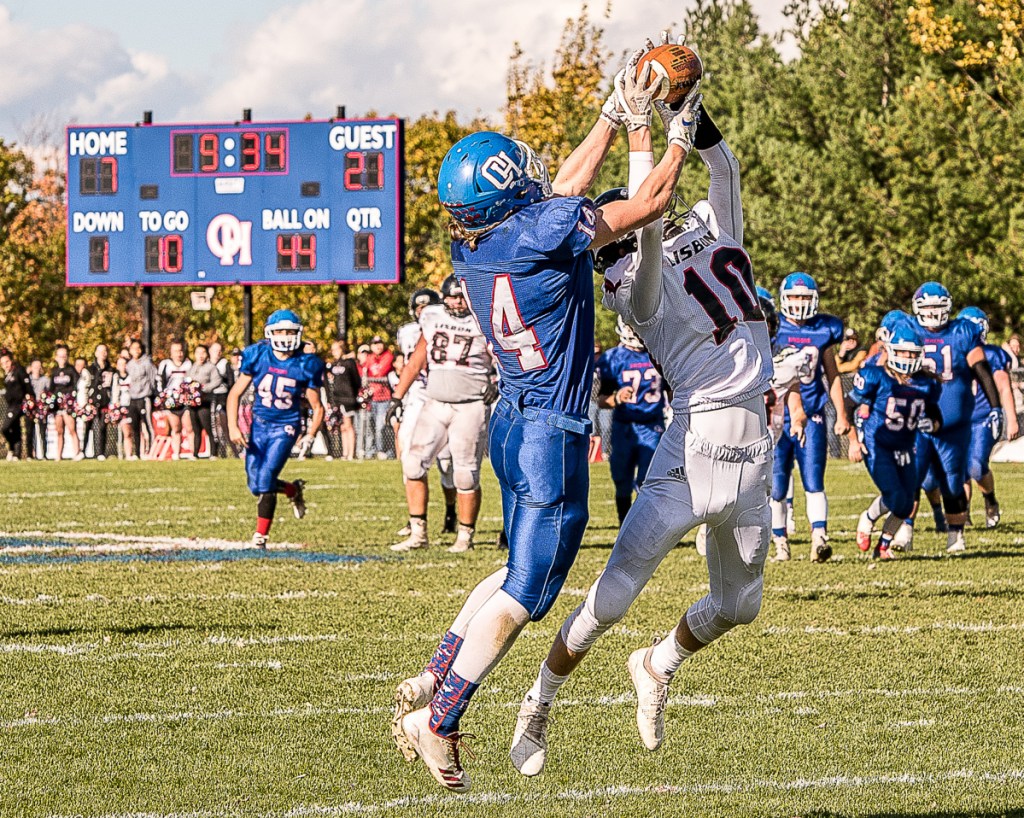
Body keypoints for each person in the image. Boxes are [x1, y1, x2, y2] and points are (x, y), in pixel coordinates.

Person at [391, 43, 703, 792]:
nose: (532, 172)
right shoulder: (540, 230)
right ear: (506, 195)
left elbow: (558, 193)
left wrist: (607, 116)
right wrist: (672, 133)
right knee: (529, 592)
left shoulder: (479, 243)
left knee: (521, 574)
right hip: (549, 435)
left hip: (512, 422)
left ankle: (436, 677)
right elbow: (649, 203)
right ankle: (440, 719)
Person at [509, 82, 777, 776]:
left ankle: (657, 664)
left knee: (738, 607)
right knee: (610, 599)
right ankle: (538, 701)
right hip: (690, 452)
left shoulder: (716, 234)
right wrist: (649, 136)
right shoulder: (633, 289)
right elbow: (651, 224)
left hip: (753, 447)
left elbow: (726, 171)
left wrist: (693, 113)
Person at [387, 274, 497, 554]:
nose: (457, 302)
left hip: (470, 405)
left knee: (465, 474)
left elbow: (506, 358)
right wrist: (398, 395)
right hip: (435, 402)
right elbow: (416, 360)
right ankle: (418, 532)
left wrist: (497, 383)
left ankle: (464, 536)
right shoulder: (433, 317)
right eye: (452, 297)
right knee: (412, 464)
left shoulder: (485, 318)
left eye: (462, 296)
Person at [907, 283, 1003, 553]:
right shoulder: (909, 331)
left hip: (953, 420)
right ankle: (904, 531)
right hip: (918, 415)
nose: (934, 314)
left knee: (953, 478)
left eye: (939, 307)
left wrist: (996, 407)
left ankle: (956, 534)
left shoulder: (962, 332)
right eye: (929, 308)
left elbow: (982, 370)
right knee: (914, 476)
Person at [769, 272, 851, 562]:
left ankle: (819, 537)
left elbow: (833, 374)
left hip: (814, 413)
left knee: (813, 479)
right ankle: (780, 540)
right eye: (794, 297)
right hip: (778, 416)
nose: (800, 302)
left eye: (805, 297)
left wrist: (842, 414)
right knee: (777, 483)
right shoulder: (772, 326)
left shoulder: (825, 329)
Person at [226, 310, 325, 548]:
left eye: (290, 331)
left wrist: (310, 436)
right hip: (259, 425)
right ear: (269, 333)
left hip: (286, 426)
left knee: (266, 477)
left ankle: (260, 536)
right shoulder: (258, 355)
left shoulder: (306, 364)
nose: (285, 335)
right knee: (255, 484)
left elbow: (317, 407)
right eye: (280, 330)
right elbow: (235, 393)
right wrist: (232, 426)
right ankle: (292, 489)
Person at [846, 323, 943, 559]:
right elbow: (848, 407)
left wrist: (932, 425)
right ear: (891, 351)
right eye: (903, 352)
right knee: (895, 496)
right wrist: (853, 441)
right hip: (877, 445)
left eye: (912, 353)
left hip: (906, 447)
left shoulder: (927, 383)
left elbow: (936, 417)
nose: (908, 357)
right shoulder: (875, 377)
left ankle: (883, 546)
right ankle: (867, 518)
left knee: (906, 504)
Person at [395, 288, 459, 534]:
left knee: (447, 462)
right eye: (419, 307)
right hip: (417, 397)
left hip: (442, 395)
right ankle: (415, 518)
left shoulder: (449, 324)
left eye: (427, 306)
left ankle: (451, 511)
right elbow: (410, 363)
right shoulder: (406, 332)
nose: (423, 311)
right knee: (409, 457)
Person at [596, 315, 666, 525]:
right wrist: (617, 398)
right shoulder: (614, 358)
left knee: (648, 479)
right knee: (622, 480)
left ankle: (643, 527)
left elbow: (673, 392)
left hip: (652, 425)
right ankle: (624, 524)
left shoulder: (659, 353)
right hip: (623, 426)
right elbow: (601, 401)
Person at [958, 307, 1019, 527]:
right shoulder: (954, 352)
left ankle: (990, 499)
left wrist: (1010, 418)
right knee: (959, 468)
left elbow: (1003, 388)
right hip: (959, 419)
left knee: (975, 465)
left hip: (984, 417)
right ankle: (962, 514)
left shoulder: (992, 354)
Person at [157, 340, 195, 460]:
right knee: (176, 428)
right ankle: (176, 454)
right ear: (171, 352)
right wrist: (163, 397)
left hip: (186, 401)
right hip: (171, 401)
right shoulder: (165, 364)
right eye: (175, 351)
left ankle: (193, 453)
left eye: (180, 351)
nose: (178, 354)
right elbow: (160, 382)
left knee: (189, 427)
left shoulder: (189, 364)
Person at [324, 340, 362, 460]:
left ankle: (351, 453)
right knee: (342, 426)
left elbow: (356, 380)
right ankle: (345, 453)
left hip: (348, 398)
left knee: (348, 425)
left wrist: (353, 395)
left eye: (337, 349)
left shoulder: (349, 363)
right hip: (337, 398)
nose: (334, 352)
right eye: (333, 350)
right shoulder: (334, 364)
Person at [190, 344, 225, 458]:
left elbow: (217, 380)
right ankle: (195, 454)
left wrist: (203, 389)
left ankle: (213, 453)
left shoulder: (211, 367)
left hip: (205, 401)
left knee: (208, 427)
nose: (200, 355)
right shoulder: (192, 367)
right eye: (198, 352)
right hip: (193, 403)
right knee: (196, 429)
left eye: (203, 352)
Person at [363, 336, 394, 458]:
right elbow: (365, 372)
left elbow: (379, 373)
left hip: (384, 397)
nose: (378, 346)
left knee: (381, 426)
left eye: (380, 343)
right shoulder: (370, 357)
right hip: (371, 398)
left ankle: (383, 450)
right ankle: (371, 450)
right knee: (370, 427)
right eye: (375, 343)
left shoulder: (388, 356)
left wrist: (373, 377)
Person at [125, 340, 157, 459]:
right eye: (133, 348)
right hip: (133, 398)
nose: (136, 351)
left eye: (138, 348)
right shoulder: (129, 364)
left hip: (144, 397)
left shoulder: (147, 363)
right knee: (135, 427)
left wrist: (152, 393)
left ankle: (152, 451)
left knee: (148, 425)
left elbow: (153, 378)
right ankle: (137, 453)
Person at [50, 344, 83, 461]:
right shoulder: (54, 371)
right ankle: (58, 455)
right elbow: (51, 389)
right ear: (56, 357)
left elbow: (76, 386)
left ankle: (77, 452)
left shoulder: (71, 370)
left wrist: (69, 401)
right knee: (59, 431)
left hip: (68, 405)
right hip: (57, 406)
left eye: (64, 356)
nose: (62, 358)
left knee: (71, 429)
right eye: (60, 356)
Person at [1, 350, 32, 461]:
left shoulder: (19, 371)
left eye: (7, 362)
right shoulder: (7, 375)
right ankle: (16, 453)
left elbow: (27, 386)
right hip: (10, 405)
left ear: (11, 360)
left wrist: (30, 398)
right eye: (3, 363)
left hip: (18, 405)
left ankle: (12, 450)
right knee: (15, 428)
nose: (5, 365)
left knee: (5, 428)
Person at [209, 342, 235, 457]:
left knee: (224, 424)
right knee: (213, 424)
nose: (217, 353)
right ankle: (215, 451)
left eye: (220, 350)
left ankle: (234, 451)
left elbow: (231, 382)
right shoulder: (206, 364)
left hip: (222, 397)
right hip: (209, 397)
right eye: (215, 350)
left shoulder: (225, 364)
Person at [109, 355, 135, 459]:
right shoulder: (115, 377)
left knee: (134, 431)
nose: (122, 366)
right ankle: (125, 454)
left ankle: (136, 453)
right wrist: (115, 407)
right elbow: (113, 393)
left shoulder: (131, 376)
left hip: (131, 405)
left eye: (124, 364)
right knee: (125, 432)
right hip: (120, 407)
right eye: (120, 364)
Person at [27, 358, 49, 459]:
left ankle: (44, 455)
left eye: (39, 366)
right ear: (31, 368)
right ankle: (30, 455)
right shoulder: (27, 380)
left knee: (42, 432)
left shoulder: (45, 380)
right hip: (30, 408)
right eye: (35, 366)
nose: (37, 368)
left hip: (41, 408)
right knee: (29, 432)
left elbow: (49, 393)